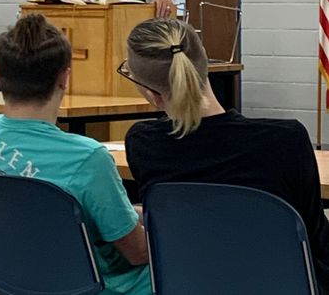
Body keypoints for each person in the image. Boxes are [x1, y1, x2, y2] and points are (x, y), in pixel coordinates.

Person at [120, 18, 329, 293]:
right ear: (206, 62)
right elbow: (313, 234)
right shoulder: (285, 140)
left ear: (150, 93)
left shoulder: (143, 143)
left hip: (192, 283)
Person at [0, 14, 151, 295]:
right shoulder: (88, 158)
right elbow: (137, 253)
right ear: (64, 78)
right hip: (95, 286)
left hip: (11, 280)